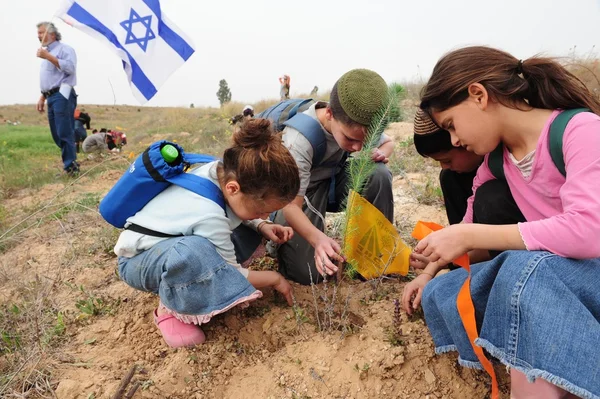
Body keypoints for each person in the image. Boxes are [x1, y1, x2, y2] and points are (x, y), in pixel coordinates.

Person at [402, 46, 600, 399]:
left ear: (478, 95)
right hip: (550, 275)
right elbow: (468, 239)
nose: (455, 140)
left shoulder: (578, 130)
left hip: (585, 274)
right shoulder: (497, 164)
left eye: (451, 125)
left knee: (524, 273)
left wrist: (469, 234)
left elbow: (589, 231)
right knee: (444, 291)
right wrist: (428, 272)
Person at [116, 119, 300, 348]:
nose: (263, 215)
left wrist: (261, 225)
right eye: (262, 210)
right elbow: (232, 274)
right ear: (233, 188)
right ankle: (170, 309)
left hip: (166, 245)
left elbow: (232, 213)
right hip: (137, 263)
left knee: (243, 232)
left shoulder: (218, 170)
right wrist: (275, 279)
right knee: (193, 253)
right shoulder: (209, 215)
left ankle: (195, 286)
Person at [273, 69, 395, 285]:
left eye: (365, 141)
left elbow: (388, 143)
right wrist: (318, 239)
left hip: (329, 183)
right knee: (309, 274)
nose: (358, 148)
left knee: (378, 173)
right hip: (297, 195)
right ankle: (276, 245)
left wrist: (380, 153)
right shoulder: (299, 139)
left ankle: (372, 258)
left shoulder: (358, 124)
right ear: (329, 113)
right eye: (350, 140)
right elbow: (291, 206)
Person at [35, 22, 79, 176]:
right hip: (51, 97)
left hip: (63, 95)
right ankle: (70, 163)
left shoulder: (64, 49)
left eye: (41, 32)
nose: (38, 35)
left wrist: (48, 57)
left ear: (52, 34)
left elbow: (70, 69)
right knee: (56, 134)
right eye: (38, 33)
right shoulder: (47, 52)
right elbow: (51, 79)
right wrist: (42, 96)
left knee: (64, 132)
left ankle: (71, 168)